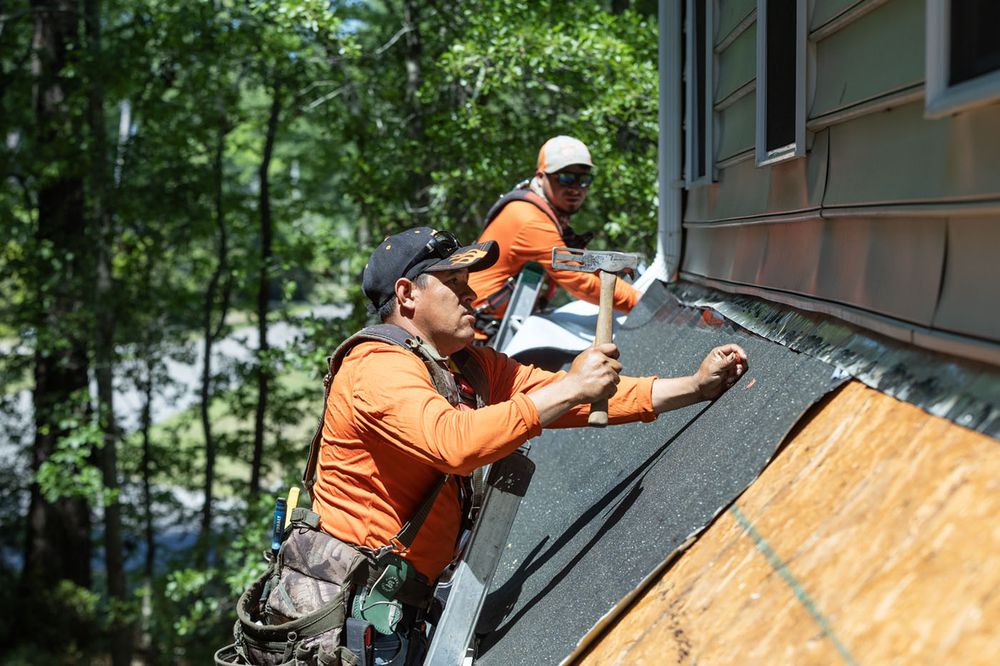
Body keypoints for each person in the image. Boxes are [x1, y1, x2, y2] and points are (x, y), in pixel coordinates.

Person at [308, 226, 747, 664]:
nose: (473, 297)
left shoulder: (465, 366)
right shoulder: (375, 368)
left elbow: (560, 395)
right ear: (407, 294)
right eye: (456, 286)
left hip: (402, 606)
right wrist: (572, 389)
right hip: (355, 615)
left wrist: (693, 387)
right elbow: (455, 442)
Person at [468, 136, 641, 339]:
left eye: (584, 180)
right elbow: (579, 279)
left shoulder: (543, 211)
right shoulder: (531, 220)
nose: (575, 188)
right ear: (541, 177)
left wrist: (637, 296)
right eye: (565, 178)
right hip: (481, 335)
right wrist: (640, 305)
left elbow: (582, 265)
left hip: (502, 325)